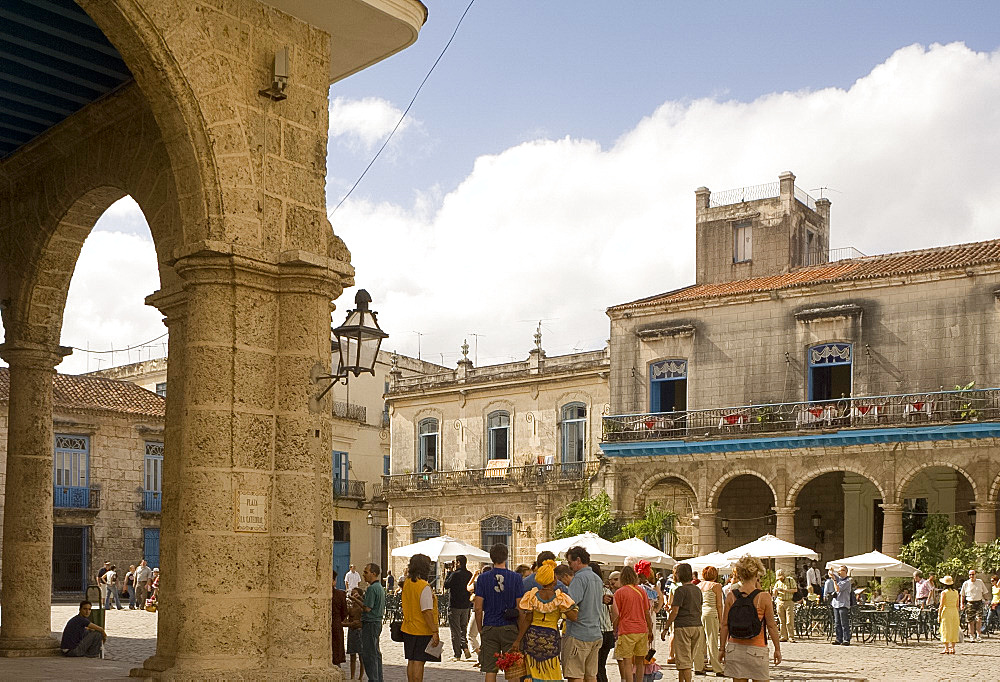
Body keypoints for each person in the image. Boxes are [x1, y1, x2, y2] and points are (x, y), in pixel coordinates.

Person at [511, 559, 579, 681]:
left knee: (533, 672)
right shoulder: (560, 597)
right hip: (550, 638)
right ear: (553, 580)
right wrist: (565, 607)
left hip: (532, 637)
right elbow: (574, 617)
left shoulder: (531, 596)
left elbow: (527, 619)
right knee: (551, 671)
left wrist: (517, 640)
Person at [720, 555, 780, 682]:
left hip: (734, 648)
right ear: (757, 573)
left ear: (740, 574)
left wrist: (721, 649)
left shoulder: (731, 596)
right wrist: (777, 649)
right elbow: (771, 626)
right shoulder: (764, 597)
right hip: (757, 648)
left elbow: (724, 625)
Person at [474, 544, 524, 682]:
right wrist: (520, 634)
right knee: (512, 667)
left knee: (490, 669)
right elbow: (520, 608)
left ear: (491, 558)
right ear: (506, 556)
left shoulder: (483, 578)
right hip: (509, 626)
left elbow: (478, 608)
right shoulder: (516, 578)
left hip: (490, 625)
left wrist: (480, 629)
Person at [565, 546, 605, 682]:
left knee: (575, 674)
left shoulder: (579, 578)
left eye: (570, 563)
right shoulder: (597, 579)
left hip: (579, 633)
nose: (569, 567)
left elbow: (570, 603)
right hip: (595, 632)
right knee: (591, 675)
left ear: (578, 560)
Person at [663, 562, 706, 682]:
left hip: (683, 626)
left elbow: (675, 611)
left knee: (684, 661)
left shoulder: (680, 590)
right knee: (686, 659)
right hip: (697, 625)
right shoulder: (697, 590)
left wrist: (666, 628)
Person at [401, 553, 441, 682]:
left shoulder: (407, 583)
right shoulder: (423, 586)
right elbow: (426, 611)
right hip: (421, 629)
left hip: (408, 628)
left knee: (411, 660)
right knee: (419, 661)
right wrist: (434, 631)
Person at [612, 565, 653, 682]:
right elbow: (647, 613)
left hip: (626, 630)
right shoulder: (641, 591)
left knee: (627, 662)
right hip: (641, 629)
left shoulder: (619, 593)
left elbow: (617, 614)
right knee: (640, 662)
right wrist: (650, 629)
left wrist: (614, 628)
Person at [443, 554, 473, 660]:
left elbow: (446, 585)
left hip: (455, 605)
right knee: (463, 628)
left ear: (458, 563)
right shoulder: (469, 574)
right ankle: (464, 647)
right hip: (466, 606)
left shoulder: (454, 574)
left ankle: (457, 654)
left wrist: (449, 573)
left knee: (455, 630)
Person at [360, 563, 386, 682]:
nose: (364, 574)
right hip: (377, 622)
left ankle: (374, 679)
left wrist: (355, 600)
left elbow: (367, 608)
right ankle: (378, 678)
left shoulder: (371, 588)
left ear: (373, 574)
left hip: (370, 623)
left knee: (369, 654)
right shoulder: (380, 587)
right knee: (375, 653)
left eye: (366, 572)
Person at [699, 565, 724, 677]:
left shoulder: (699, 585)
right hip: (711, 613)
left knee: (700, 641)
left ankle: (698, 665)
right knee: (712, 640)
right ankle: (717, 667)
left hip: (701, 613)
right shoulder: (716, 586)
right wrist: (721, 619)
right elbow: (719, 604)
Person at [596, 567, 618, 682]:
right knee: (601, 665)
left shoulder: (591, 590)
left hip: (597, 632)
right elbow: (615, 613)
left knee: (595, 667)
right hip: (608, 632)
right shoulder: (607, 591)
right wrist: (612, 626)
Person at [959, 568, 989, 642]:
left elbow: (984, 592)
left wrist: (986, 600)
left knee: (979, 619)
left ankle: (978, 635)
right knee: (970, 621)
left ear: (975, 575)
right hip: (970, 603)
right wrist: (961, 604)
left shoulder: (980, 582)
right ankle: (971, 635)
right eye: (970, 574)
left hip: (978, 602)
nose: (971, 576)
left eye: (973, 574)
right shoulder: (966, 583)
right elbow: (962, 595)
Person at [344, 587, 365, 679]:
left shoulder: (361, 606)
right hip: (352, 631)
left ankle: (360, 676)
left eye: (355, 594)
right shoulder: (350, 606)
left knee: (361, 656)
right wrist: (350, 624)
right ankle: (352, 676)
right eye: (352, 594)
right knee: (352, 655)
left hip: (360, 631)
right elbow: (346, 619)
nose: (353, 596)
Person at [771, 568, 796, 643]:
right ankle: (783, 636)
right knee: (782, 621)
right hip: (780, 601)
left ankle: (791, 636)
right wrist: (774, 591)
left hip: (789, 601)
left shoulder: (790, 580)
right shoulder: (777, 583)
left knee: (789, 620)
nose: (780, 579)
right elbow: (774, 595)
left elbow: (795, 590)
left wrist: (784, 590)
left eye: (781, 577)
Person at [829, 565, 852, 645]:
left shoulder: (847, 581)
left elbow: (837, 589)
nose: (839, 572)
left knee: (844, 623)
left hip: (843, 604)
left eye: (840, 570)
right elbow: (831, 574)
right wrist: (832, 571)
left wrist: (835, 580)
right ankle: (839, 639)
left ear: (845, 572)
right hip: (836, 603)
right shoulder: (839, 579)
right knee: (837, 622)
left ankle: (846, 639)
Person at [938, 575, 959, 654]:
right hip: (954, 611)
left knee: (945, 629)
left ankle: (946, 648)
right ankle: (953, 648)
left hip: (946, 611)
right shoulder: (956, 592)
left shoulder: (944, 593)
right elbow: (957, 604)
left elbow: (941, 605)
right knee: (953, 629)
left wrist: (939, 615)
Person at [331, 569, 348, 665]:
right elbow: (344, 612)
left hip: (334, 624)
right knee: (336, 653)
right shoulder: (340, 594)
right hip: (336, 624)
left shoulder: (339, 594)